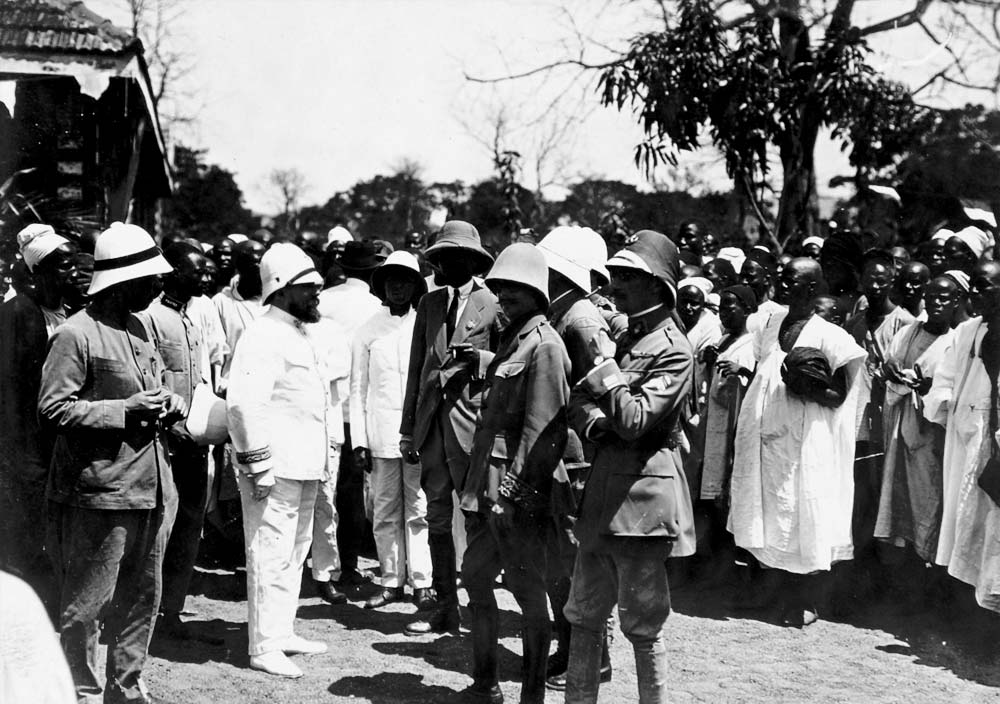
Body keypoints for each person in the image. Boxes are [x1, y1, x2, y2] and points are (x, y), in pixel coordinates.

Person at [38, 223, 184, 703]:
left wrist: (168, 403)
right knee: (87, 606)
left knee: (143, 598)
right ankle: (81, 692)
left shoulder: (141, 328)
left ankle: (126, 687)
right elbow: (53, 409)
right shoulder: (75, 334)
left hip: (151, 487)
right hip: (100, 492)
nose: (159, 286)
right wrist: (124, 410)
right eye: (150, 279)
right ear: (123, 282)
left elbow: (152, 388)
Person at [565, 230, 696, 703]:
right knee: (583, 615)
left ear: (658, 285)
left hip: (642, 504)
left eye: (628, 276)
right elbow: (579, 401)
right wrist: (600, 425)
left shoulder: (674, 349)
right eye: (615, 274)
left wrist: (607, 375)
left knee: (643, 625)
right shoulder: (626, 337)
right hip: (604, 497)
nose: (615, 284)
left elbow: (637, 420)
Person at [226, 243, 348, 678]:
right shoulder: (261, 334)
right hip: (273, 469)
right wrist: (258, 465)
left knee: (294, 553)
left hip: (305, 465)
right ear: (280, 289)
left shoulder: (299, 332)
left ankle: (281, 632)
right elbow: (243, 405)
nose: (317, 292)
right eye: (308, 286)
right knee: (268, 552)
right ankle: (263, 646)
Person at [459, 243, 571, 704]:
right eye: (500, 288)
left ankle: (532, 696)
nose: (504, 296)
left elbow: (542, 431)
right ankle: (486, 685)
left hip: (515, 488)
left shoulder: (546, 345)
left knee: (528, 593)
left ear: (537, 294)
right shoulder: (514, 339)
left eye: (515, 289)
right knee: (475, 575)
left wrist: (512, 493)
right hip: (487, 481)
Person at [729, 257, 866, 627]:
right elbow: (762, 369)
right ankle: (770, 594)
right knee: (769, 513)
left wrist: (808, 384)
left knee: (803, 513)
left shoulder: (832, 336)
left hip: (805, 442)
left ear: (812, 288)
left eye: (792, 280)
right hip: (767, 436)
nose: (783, 283)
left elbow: (840, 396)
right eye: (782, 277)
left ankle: (805, 601)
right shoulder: (770, 323)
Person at [399, 220, 499, 636]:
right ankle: (444, 607)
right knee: (436, 518)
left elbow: (511, 361)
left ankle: (480, 608)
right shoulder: (430, 304)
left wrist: (479, 360)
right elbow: (416, 369)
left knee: (475, 517)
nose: (438, 266)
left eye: (447, 259)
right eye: (436, 258)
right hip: (432, 429)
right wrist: (408, 429)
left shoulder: (493, 303)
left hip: (473, 426)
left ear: (470, 262)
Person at [535, 226, 616, 690]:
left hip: (577, 458)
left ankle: (593, 656)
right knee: (557, 559)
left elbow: (605, 390)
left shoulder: (581, 320)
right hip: (556, 453)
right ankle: (571, 647)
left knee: (576, 558)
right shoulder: (560, 313)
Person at [141, 242, 219, 643]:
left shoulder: (191, 319)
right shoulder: (150, 318)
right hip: (165, 442)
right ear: (172, 272)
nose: (205, 276)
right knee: (160, 529)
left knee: (189, 527)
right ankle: (145, 613)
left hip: (194, 442)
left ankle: (171, 610)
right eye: (197, 270)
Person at [0, 223, 77, 611]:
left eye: (74, 264)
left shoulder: (67, 314)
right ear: (39, 270)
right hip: (28, 449)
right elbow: (12, 393)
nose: (73, 272)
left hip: (56, 446)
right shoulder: (18, 315)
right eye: (63, 265)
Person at [350, 251, 433, 610]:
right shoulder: (367, 330)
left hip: (417, 435)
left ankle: (422, 583)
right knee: (384, 509)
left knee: (418, 507)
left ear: (416, 285)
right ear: (381, 285)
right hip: (381, 434)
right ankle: (390, 581)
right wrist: (359, 442)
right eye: (391, 280)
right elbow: (357, 389)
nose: (398, 287)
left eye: (405, 280)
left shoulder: (424, 326)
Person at [875, 275, 965, 589]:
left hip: (933, 436)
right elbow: (888, 367)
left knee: (930, 501)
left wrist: (930, 389)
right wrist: (890, 372)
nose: (937, 303)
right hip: (901, 429)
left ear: (956, 302)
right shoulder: (908, 332)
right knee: (899, 500)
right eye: (932, 296)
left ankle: (932, 581)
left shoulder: (957, 342)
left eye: (945, 298)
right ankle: (904, 581)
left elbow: (955, 393)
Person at [924, 261, 1000, 613]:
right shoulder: (967, 331)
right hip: (965, 438)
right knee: (964, 524)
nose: (976, 294)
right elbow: (945, 379)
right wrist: (947, 404)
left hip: (994, 442)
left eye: (986, 286)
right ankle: (967, 611)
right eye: (975, 287)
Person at [844, 250, 915, 592]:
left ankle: (884, 582)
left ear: (892, 281)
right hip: (857, 420)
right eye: (869, 279)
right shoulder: (855, 322)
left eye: (881, 280)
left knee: (881, 494)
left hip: (888, 420)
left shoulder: (904, 322)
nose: (874, 286)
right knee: (860, 494)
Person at [316, 240, 384, 599]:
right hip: (358, 410)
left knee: (322, 491)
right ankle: (350, 565)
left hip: (325, 405)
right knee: (352, 491)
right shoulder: (376, 307)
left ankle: (322, 568)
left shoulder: (322, 300)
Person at [214, 238, 267, 389]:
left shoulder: (274, 301)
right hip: (233, 387)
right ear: (240, 266)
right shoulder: (222, 302)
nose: (263, 268)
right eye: (257, 263)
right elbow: (216, 352)